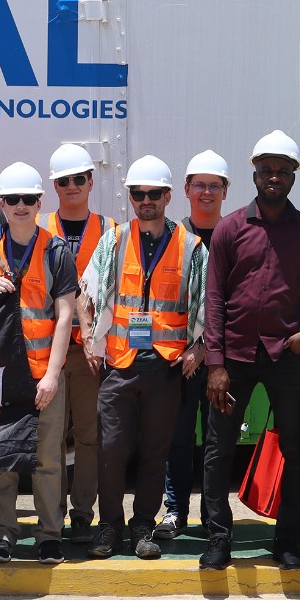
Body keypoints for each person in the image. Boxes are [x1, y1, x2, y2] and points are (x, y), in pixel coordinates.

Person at [199, 131, 300, 571]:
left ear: (293, 175)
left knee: (297, 449)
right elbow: (214, 298)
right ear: (254, 173)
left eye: (282, 169)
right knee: (219, 451)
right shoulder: (231, 228)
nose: (273, 176)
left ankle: (288, 540)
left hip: (287, 357)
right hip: (234, 359)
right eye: (266, 169)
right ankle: (218, 539)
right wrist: (216, 364)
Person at [78, 156, 207, 559]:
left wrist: (198, 348)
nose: (146, 200)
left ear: (169, 196)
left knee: (155, 452)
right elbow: (86, 293)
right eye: (138, 193)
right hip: (119, 365)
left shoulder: (191, 246)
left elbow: (206, 304)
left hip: (165, 369)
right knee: (111, 449)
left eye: (154, 193)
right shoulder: (113, 241)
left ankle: (142, 528)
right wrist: (88, 339)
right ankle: (109, 527)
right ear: (130, 197)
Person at [0, 163, 78, 565]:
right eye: (12, 199)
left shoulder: (56, 250)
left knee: (48, 460)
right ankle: (4, 532)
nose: (20, 206)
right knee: (2, 460)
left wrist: (52, 375)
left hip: (42, 375)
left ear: (39, 203)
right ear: (1, 203)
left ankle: (49, 535)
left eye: (28, 200)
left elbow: (65, 315)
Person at [155, 149, 230, 540]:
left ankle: (214, 516)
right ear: (185, 190)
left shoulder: (234, 235)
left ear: (225, 191)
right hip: (177, 359)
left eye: (213, 186)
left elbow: (235, 302)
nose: (206, 192)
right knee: (177, 439)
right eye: (199, 185)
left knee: (218, 441)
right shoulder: (173, 238)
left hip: (221, 361)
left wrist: (206, 348)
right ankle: (175, 511)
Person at [43, 143, 115, 544]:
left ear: (91, 181)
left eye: (79, 179)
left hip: (90, 350)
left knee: (89, 435)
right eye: (64, 180)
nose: (72, 186)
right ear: (54, 184)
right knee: (50, 439)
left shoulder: (108, 231)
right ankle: (51, 512)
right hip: (46, 352)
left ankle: (83, 513)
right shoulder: (37, 225)